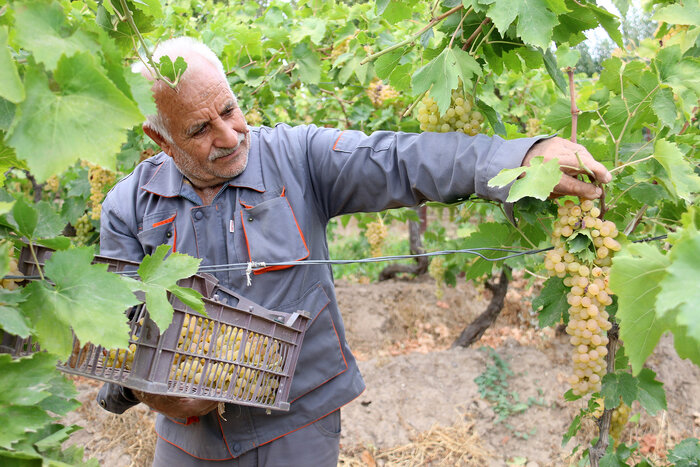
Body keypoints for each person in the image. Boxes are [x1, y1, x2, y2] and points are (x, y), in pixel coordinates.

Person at [97, 37, 610, 466]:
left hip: (297, 426)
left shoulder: (298, 158)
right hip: (188, 441)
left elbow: (403, 160)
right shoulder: (127, 206)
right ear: (160, 138)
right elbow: (114, 329)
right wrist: (150, 390)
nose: (230, 135)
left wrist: (520, 156)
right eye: (200, 129)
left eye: (229, 110)